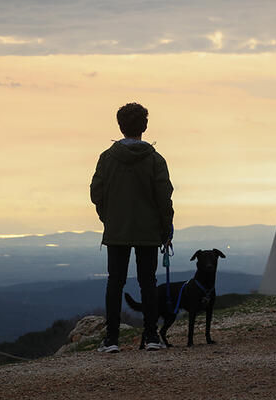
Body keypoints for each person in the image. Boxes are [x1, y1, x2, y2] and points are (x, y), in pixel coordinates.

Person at [90, 102, 174, 352]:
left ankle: (112, 339)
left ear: (120, 126)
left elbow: (96, 193)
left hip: (116, 231)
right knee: (148, 283)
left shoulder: (107, 158)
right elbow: (164, 196)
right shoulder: (155, 160)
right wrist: (166, 227)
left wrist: (108, 217)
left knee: (115, 283)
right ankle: (151, 337)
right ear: (144, 126)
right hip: (149, 232)